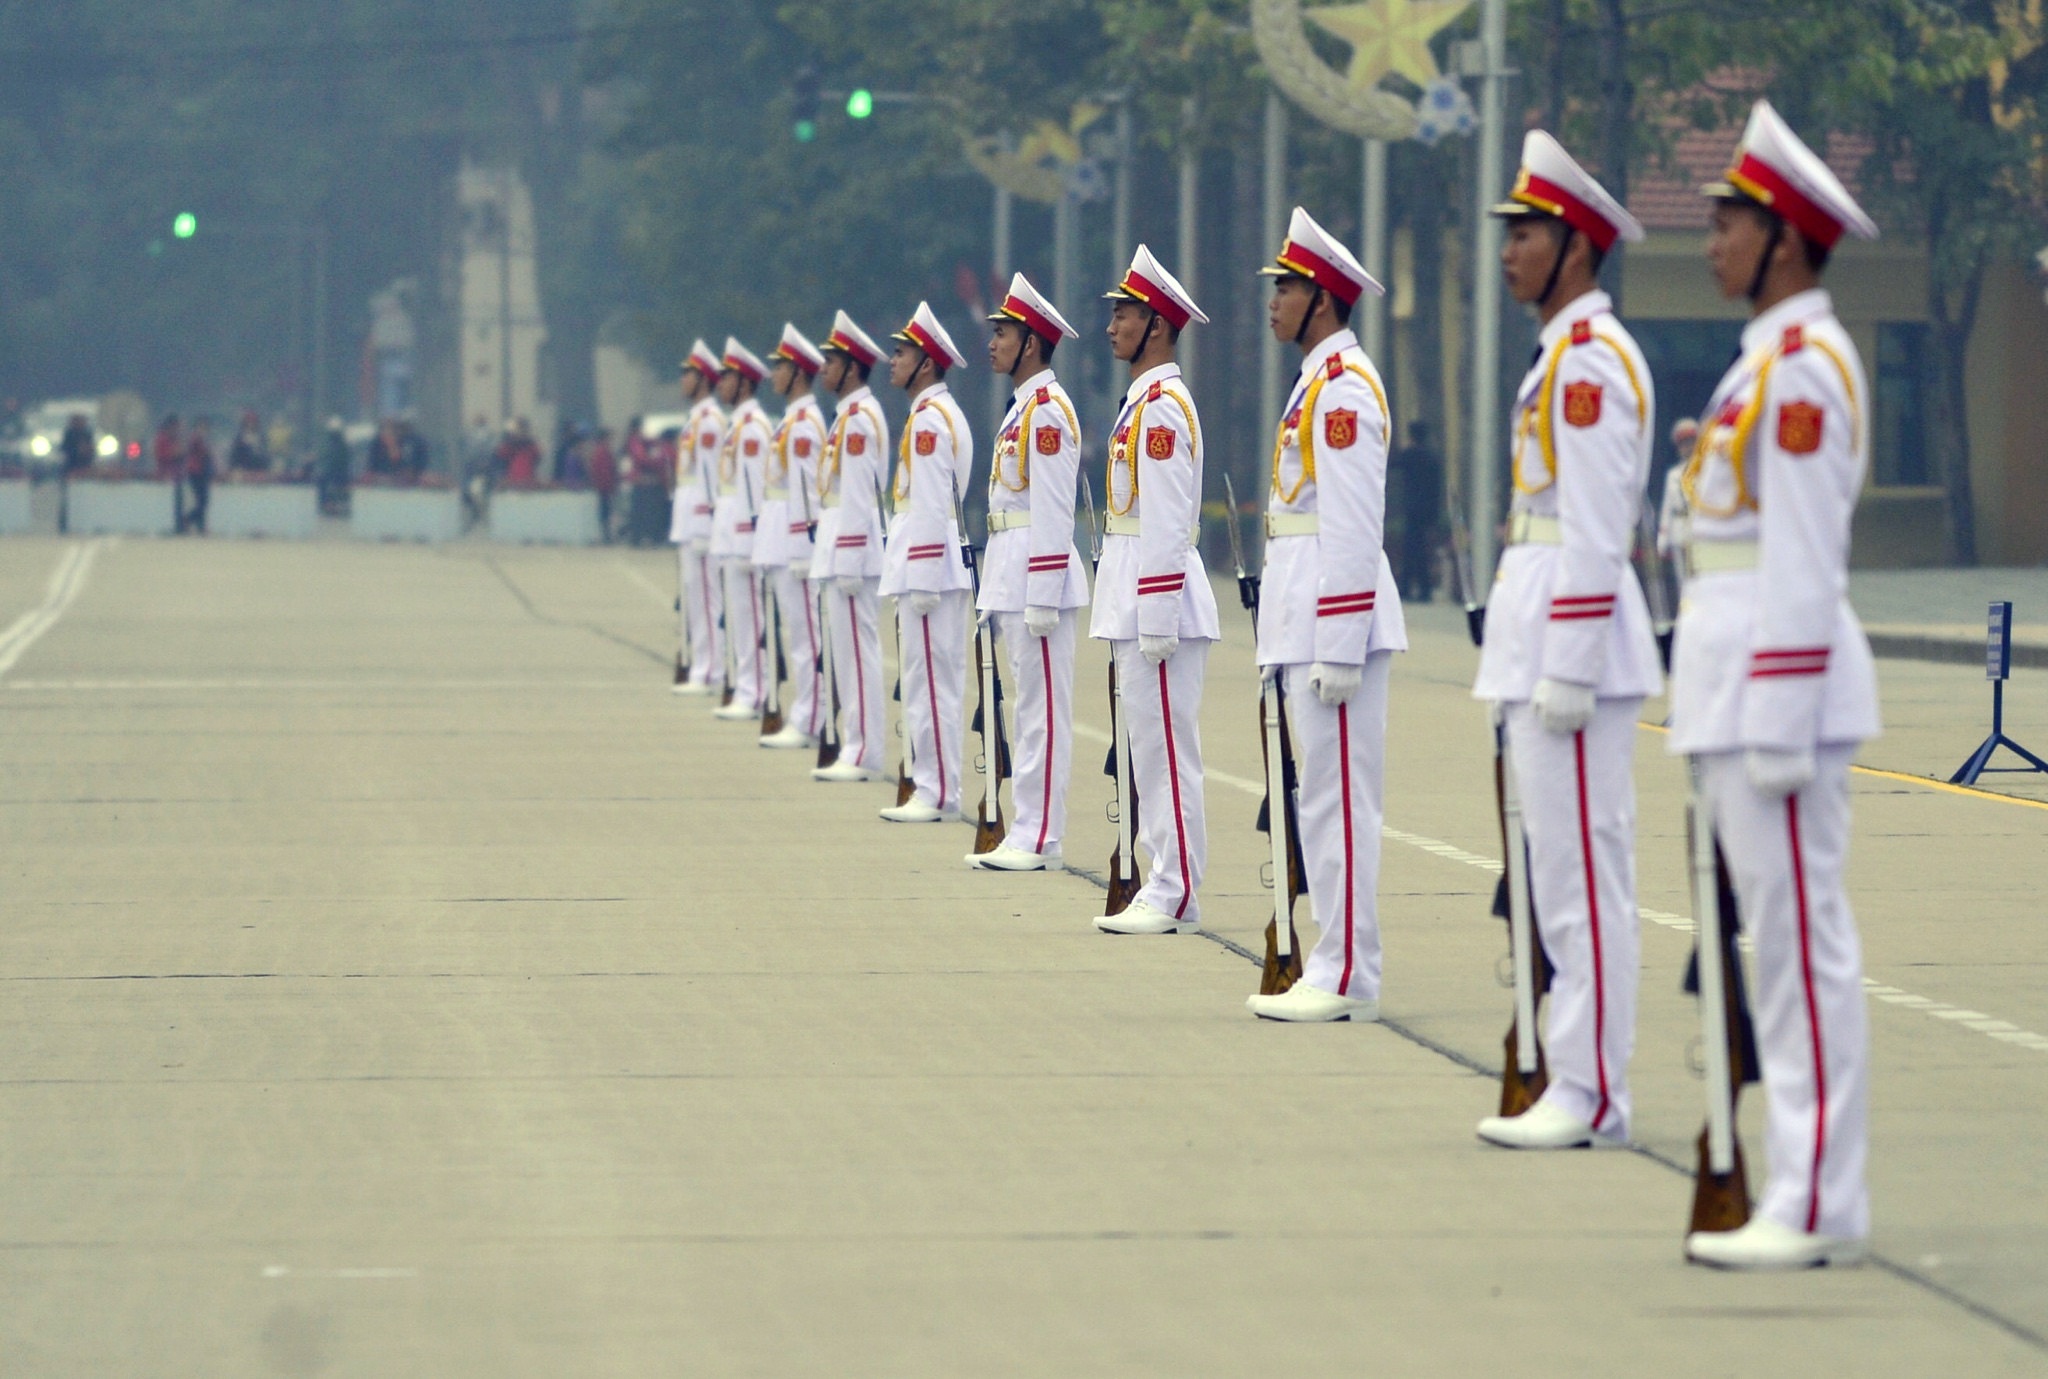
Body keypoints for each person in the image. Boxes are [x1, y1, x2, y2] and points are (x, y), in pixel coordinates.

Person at [1672, 101, 1882, 1271]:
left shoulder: (1802, 370)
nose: (1710, 243)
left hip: (1775, 693)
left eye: (1729, 225)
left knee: (1799, 946)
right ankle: (1803, 1184)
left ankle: (1815, 1195)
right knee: (1773, 944)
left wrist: (1781, 716)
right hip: (1734, 682)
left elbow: (1804, 558)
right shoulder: (1764, 364)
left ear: (1786, 241)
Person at [1469, 133, 1661, 1133]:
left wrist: (1572, 665)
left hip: (1569, 649)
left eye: (1526, 234)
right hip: (1539, 637)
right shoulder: (1560, 358)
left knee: (1583, 875)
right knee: (1555, 873)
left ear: (1576, 248)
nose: (1507, 251)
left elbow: (1594, 528)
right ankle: (1572, 1077)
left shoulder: (1591, 364)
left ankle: (1591, 1090)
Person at [1240, 209, 1408, 1017]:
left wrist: (1340, 639)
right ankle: (1337, 961)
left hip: (1333, 621)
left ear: (1324, 299)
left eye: (1287, 288)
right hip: (1304, 613)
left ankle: (1346, 973)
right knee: (1321, 798)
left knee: (1338, 800)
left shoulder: (1344, 389)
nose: (1274, 300)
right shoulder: (1317, 382)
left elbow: (1351, 521)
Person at [1091, 246, 1219, 934]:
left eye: (1125, 315)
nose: (1112, 326)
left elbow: (1167, 521)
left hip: (1157, 602)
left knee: (1167, 751)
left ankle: (1175, 888)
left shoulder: (1163, 407)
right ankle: (1166, 882)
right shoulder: (1144, 402)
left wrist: (1159, 614)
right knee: (1149, 750)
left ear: (1158, 326)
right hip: (1137, 595)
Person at [968, 273, 1089, 872]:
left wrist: (1042, 592)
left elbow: (1054, 509)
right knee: (1026, 707)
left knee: (1041, 711)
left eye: (1004, 333)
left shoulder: (1046, 412)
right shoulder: (1024, 408)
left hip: (1036, 578)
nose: (992, 342)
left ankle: (1039, 835)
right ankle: (1029, 828)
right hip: (1012, 569)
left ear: (1032, 344)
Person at [877, 302, 974, 823]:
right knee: (928, 681)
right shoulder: (932, 414)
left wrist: (923, 574)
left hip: (930, 569)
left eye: (902, 352)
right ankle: (935, 785)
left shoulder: (930, 420)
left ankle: (936, 790)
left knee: (929, 683)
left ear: (927, 363)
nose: (893, 360)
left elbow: (933, 503)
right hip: (930, 565)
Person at [810, 312, 891, 783]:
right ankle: (855, 743)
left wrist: (850, 556)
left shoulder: (859, 419)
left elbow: (860, 493)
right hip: (841, 542)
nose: (824, 369)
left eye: (831, 362)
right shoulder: (847, 416)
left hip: (851, 549)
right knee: (846, 653)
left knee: (857, 654)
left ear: (852, 368)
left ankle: (863, 750)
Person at [758, 324, 830, 749]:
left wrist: (805, 546)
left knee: (806, 637)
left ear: (799, 373)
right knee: (797, 633)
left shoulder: (804, 424)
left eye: (780, 367)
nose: (773, 374)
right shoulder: (792, 420)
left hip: (796, 541)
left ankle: (811, 718)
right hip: (783, 537)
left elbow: (808, 489)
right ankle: (806, 713)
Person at [710, 339, 774, 722]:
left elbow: (756, 487)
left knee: (751, 618)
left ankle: (755, 692)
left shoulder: (752, 428)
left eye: (727, 377)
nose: (720, 384)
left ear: (745, 383)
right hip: (733, 534)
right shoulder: (739, 425)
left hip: (745, 536)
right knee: (740, 617)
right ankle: (746, 686)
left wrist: (752, 535)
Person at [673, 342, 728, 695]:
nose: (683, 379)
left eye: (689, 374)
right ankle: (703, 664)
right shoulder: (697, 418)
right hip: (689, 516)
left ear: (704, 379)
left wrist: (708, 519)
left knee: (708, 598)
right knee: (696, 597)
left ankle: (711, 669)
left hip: (701, 519)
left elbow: (710, 476)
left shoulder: (709, 421)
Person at [1390, 420, 1443, 602]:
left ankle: (1406, 587)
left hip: (1412, 510)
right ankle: (1424, 589)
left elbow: (1392, 464)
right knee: (1423, 550)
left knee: (1410, 549)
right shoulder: (1432, 457)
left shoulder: (1409, 455)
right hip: (1427, 511)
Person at [184, 417, 215, 535]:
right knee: (202, 501)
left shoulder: (203, 440)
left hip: (202, 472)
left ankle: (199, 525)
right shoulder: (195, 439)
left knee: (203, 501)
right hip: (195, 472)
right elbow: (200, 453)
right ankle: (189, 519)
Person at [589, 426, 618, 542]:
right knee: (605, 512)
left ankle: (607, 535)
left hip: (604, 486)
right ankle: (606, 536)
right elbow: (603, 471)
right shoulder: (602, 452)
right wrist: (609, 485)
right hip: (604, 487)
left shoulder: (600, 451)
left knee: (606, 512)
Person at [317, 416, 351, 515]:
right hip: (334, 473)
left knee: (326, 483)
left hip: (337, 474)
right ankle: (328, 505)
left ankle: (329, 505)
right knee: (324, 483)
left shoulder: (339, 444)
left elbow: (338, 460)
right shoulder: (336, 443)